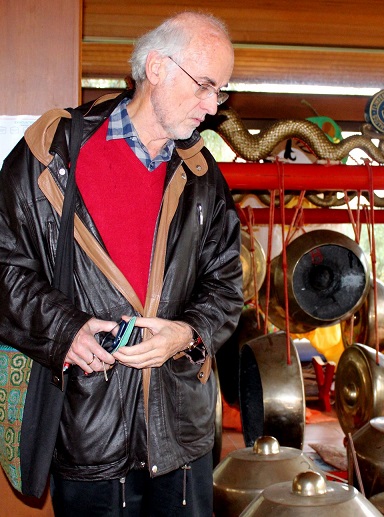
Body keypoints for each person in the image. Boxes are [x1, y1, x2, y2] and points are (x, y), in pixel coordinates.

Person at [0, 11, 243, 516]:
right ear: (156, 67)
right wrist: (65, 329)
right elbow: (4, 266)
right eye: (204, 85)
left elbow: (225, 287)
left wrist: (187, 334)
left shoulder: (203, 177)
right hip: (87, 426)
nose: (212, 106)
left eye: (221, 92)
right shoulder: (50, 153)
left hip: (180, 435)